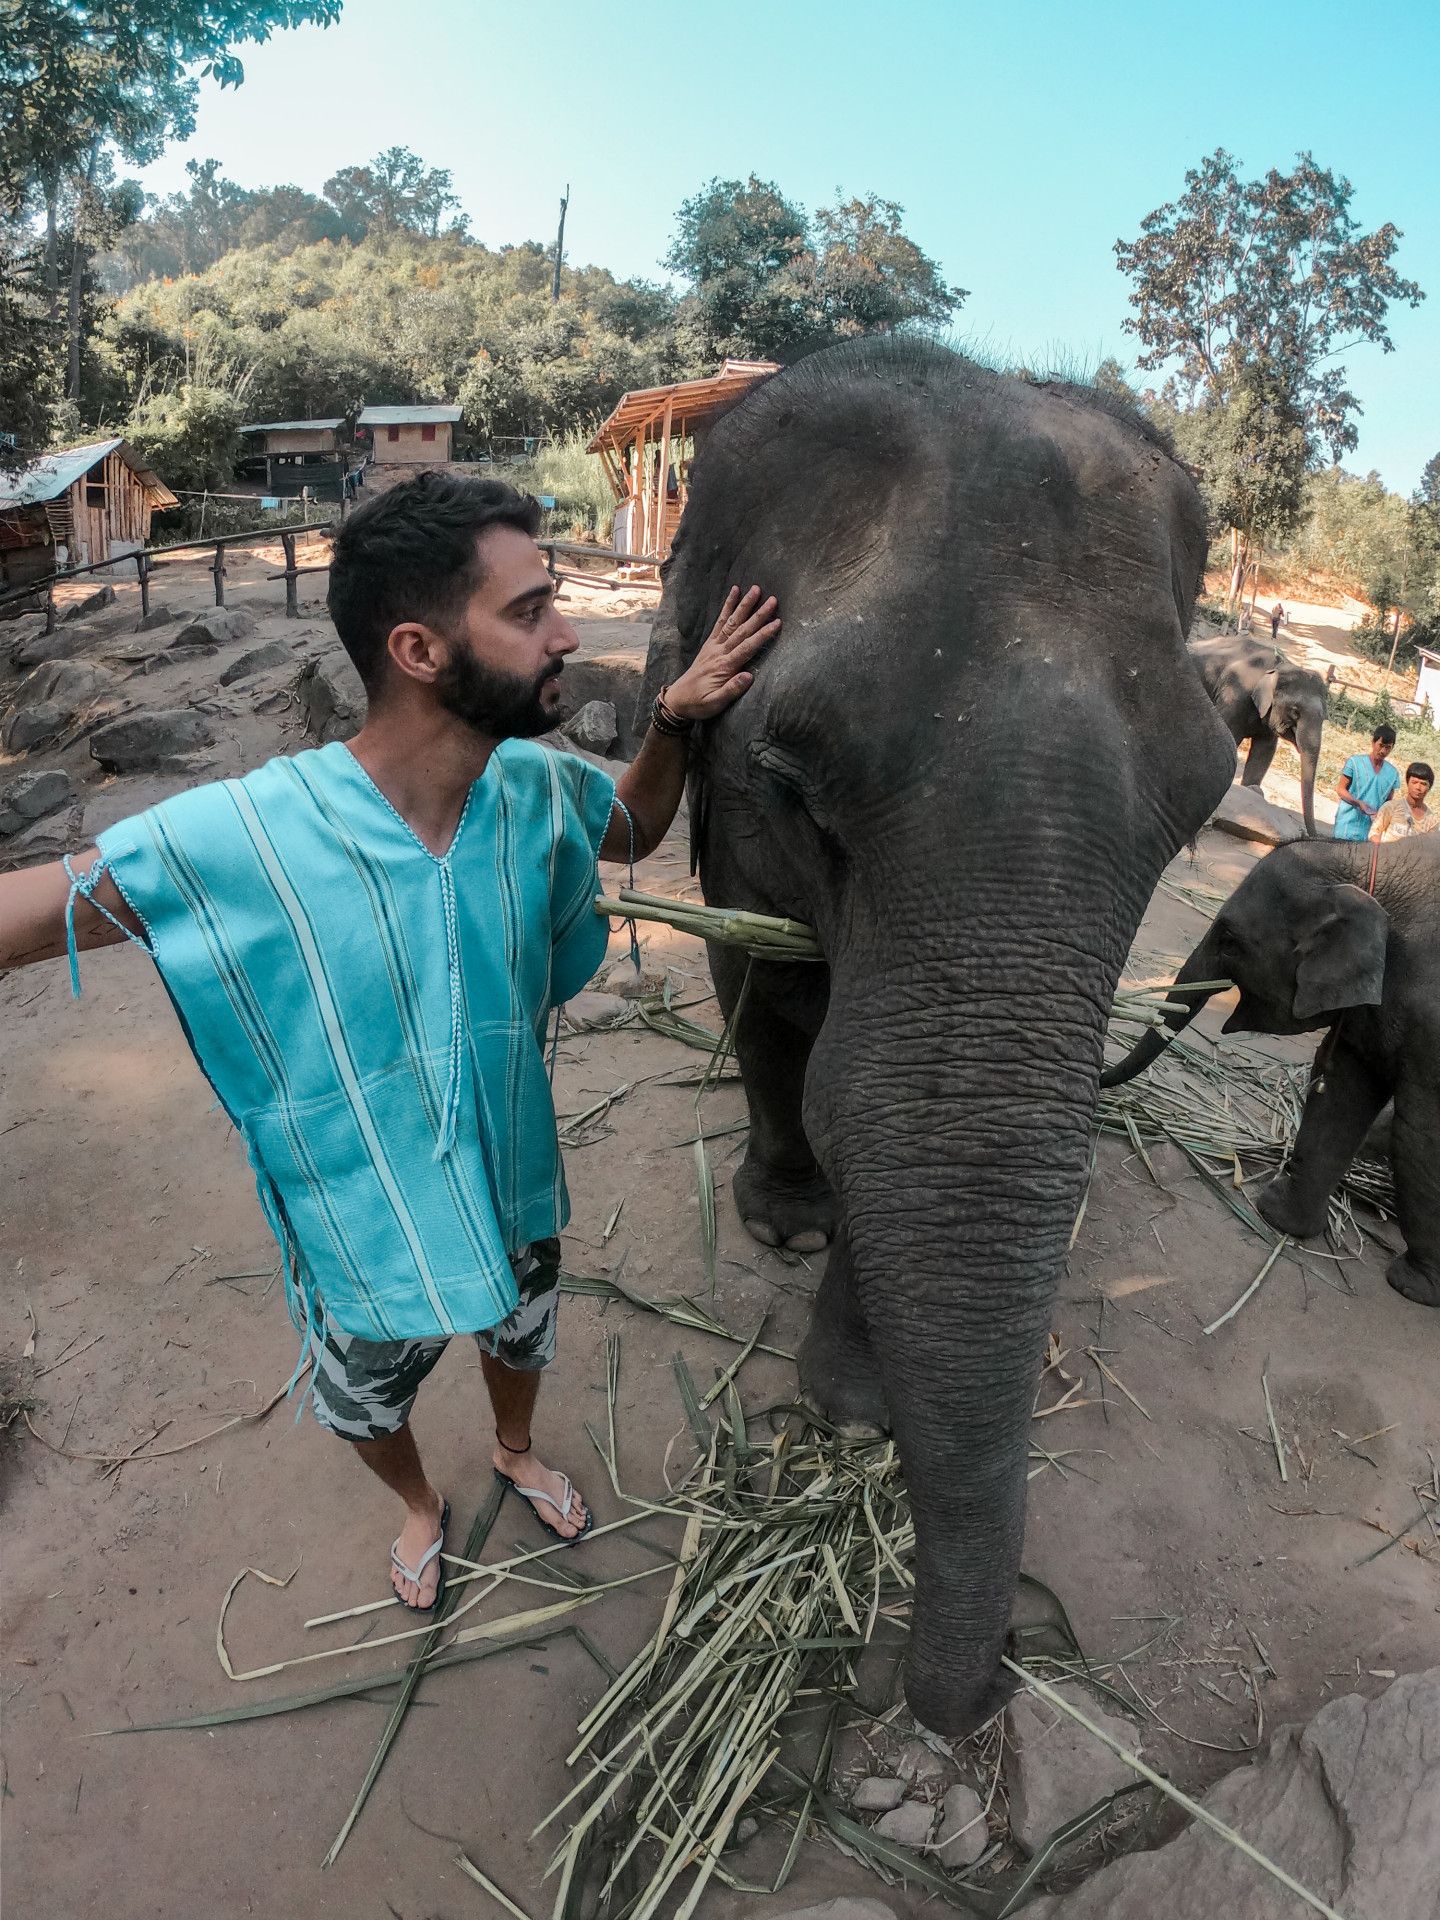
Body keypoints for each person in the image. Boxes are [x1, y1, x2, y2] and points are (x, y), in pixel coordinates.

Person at [0, 472, 780, 1612]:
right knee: (370, 1401)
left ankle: (512, 1448)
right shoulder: (249, 834)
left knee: (521, 1331)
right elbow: (22, 918)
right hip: (361, 1225)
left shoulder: (531, 787)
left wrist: (671, 722)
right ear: (417, 650)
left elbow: (633, 827)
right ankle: (421, 1503)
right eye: (528, 613)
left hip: (512, 1178)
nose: (567, 633)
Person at [1334, 725, 1401, 840]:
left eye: (1388, 747)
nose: (1383, 751)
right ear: (1373, 742)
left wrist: (1381, 818)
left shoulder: (1393, 774)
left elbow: (1388, 803)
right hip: (1347, 824)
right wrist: (1358, 802)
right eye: (1381, 745)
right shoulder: (1354, 762)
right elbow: (1340, 789)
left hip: (1369, 829)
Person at [1369, 761, 1435, 841]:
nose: (1418, 787)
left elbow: (1429, 847)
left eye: (1423, 784)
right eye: (1414, 782)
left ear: (1429, 788)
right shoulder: (1391, 807)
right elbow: (1374, 832)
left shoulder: (1431, 821)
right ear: (1408, 783)